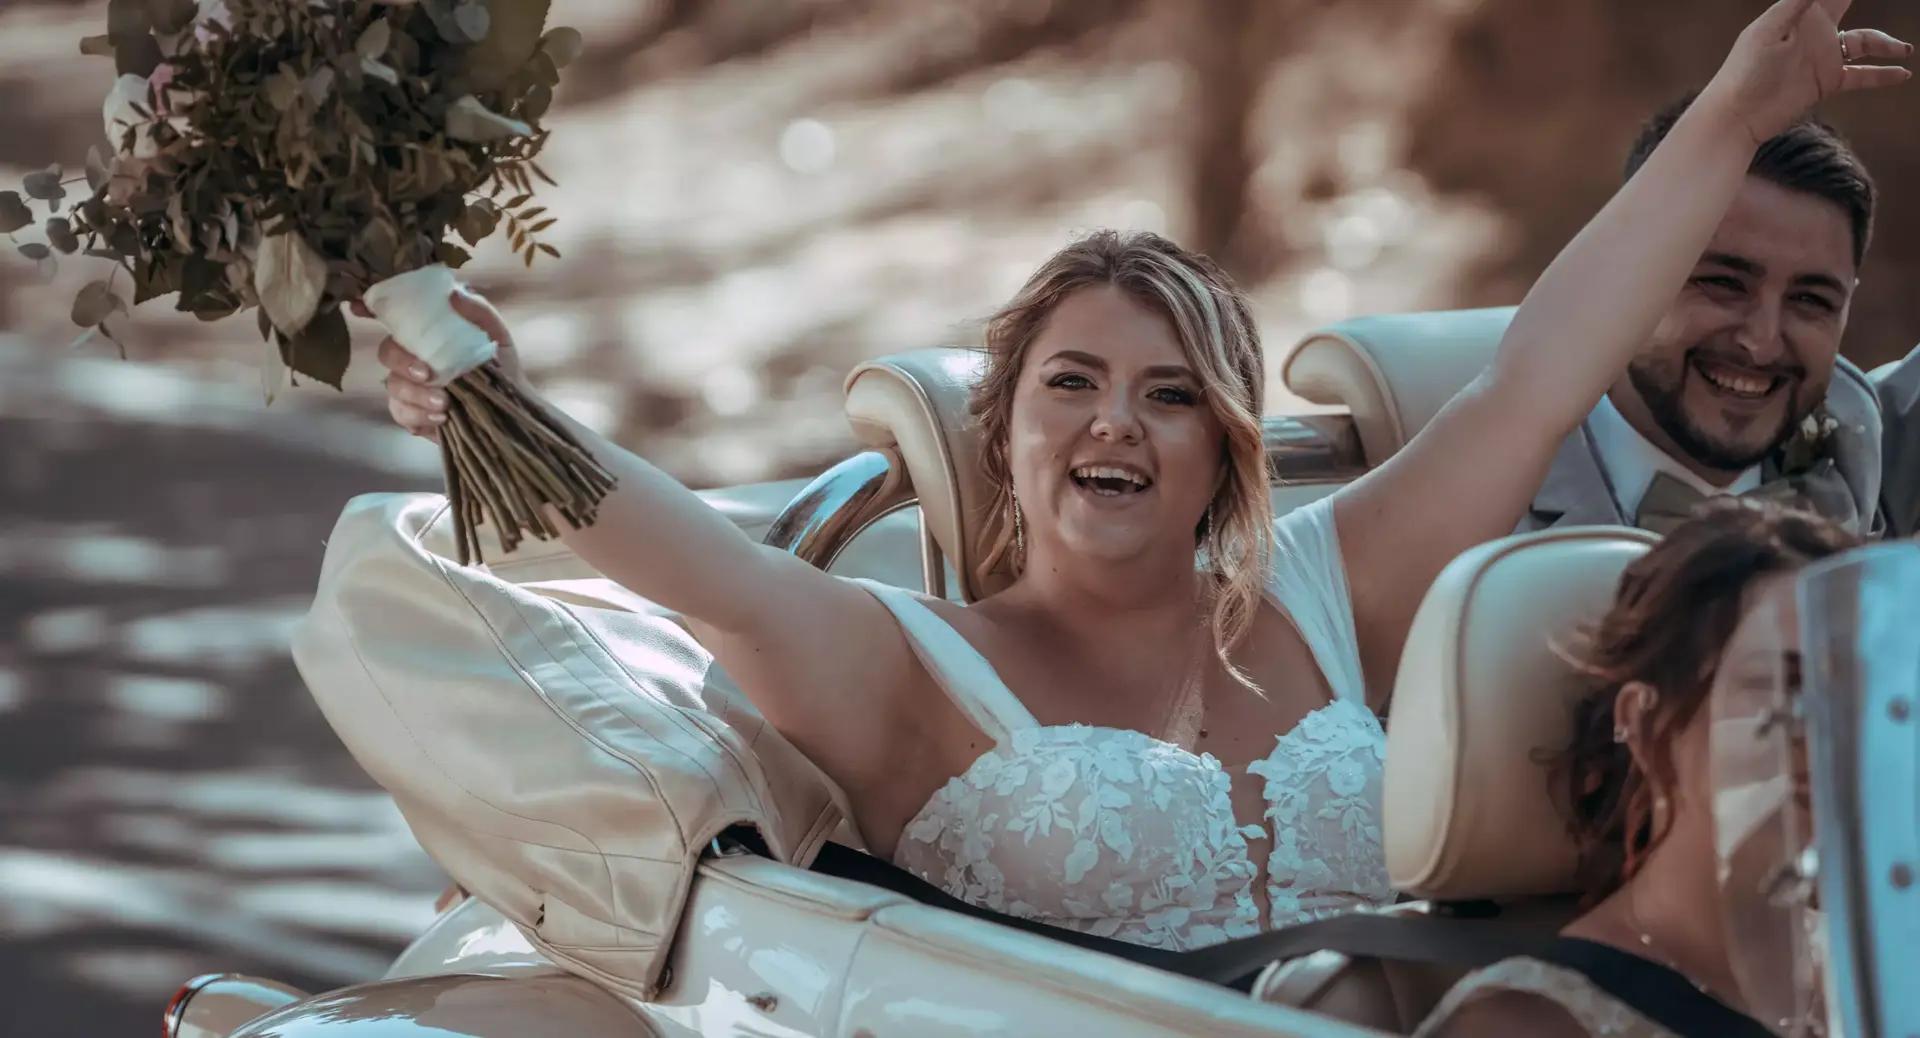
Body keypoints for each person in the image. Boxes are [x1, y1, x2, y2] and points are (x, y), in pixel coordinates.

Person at [372, 0, 1907, 951]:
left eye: (1173, 396)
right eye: (1075, 385)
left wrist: (1735, 113)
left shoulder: (1326, 590)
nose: (1120, 424)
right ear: (1005, 434)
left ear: (1225, 448)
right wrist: (489, 395)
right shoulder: (902, 664)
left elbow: (1539, 372)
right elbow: (690, 558)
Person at [1417, 499, 1862, 1037]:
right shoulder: (1525, 1024)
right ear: (1647, 726)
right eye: (1788, 689)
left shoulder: (1879, 969)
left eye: (1866, 693)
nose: (1839, 733)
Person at [1520, 96, 1883, 537]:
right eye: (1723, 283)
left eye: (1810, 299)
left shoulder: (1870, 455)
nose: (1762, 343)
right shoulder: (1482, 501)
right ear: (1620, 271)